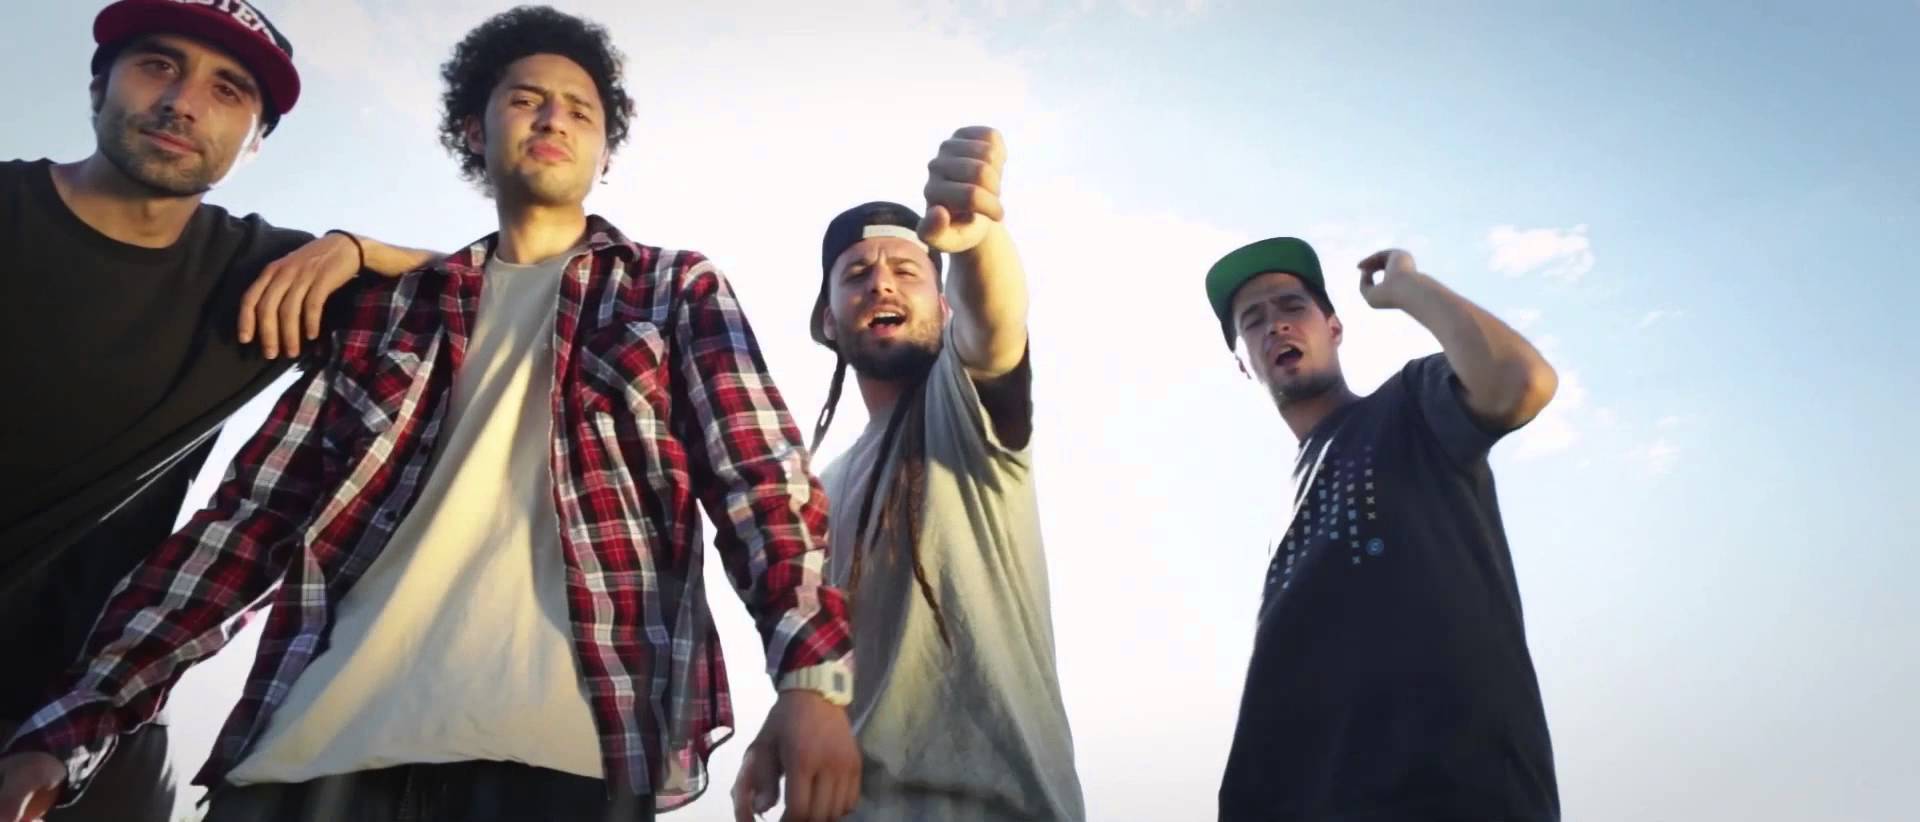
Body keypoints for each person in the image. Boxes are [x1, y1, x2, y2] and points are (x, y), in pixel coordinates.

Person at [0, 7, 860, 822]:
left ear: (606, 154)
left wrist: (813, 681)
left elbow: (759, 483)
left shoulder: (671, 290)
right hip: (308, 753)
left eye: (580, 110)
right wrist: (76, 721)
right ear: (472, 132)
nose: (552, 119)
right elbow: (250, 522)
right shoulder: (390, 312)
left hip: (559, 753)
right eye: (525, 99)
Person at [0, 2, 437, 820]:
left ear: (255, 140)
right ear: (98, 87)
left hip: (80, 708)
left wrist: (359, 248)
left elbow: (498, 297)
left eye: (227, 90)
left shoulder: (269, 276)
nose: (183, 102)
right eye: (157, 66)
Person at [742, 127, 1084, 820]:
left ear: (944, 302)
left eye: (907, 270)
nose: (881, 283)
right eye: (856, 275)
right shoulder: (819, 489)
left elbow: (996, 326)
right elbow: (828, 644)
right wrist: (788, 712)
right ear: (828, 322)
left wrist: (977, 238)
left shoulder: (960, 407)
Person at [1205, 238, 1563, 821]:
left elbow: (1518, 382)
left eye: (1293, 307)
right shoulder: (1281, 525)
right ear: (1243, 363)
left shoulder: (1410, 406)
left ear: (1334, 328)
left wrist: (1408, 289)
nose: (1276, 325)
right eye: (1254, 320)